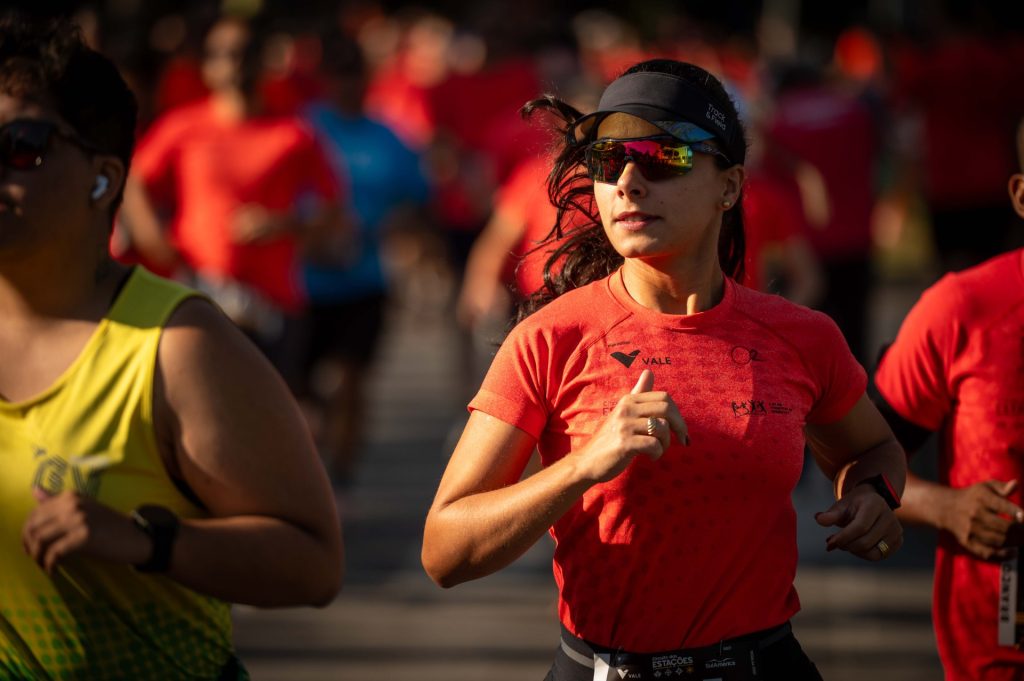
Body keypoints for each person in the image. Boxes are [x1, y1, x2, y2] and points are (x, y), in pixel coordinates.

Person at [422, 58, 907, 681]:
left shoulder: (801, 337)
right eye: (607, 161)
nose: (627, 182)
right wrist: (582, 466)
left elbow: (875, 449)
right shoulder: (550, 339)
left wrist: (874, 496)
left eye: (661, 157)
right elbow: (444, 551)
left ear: (728, 187)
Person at [0, 15, 342, 680]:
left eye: (20, 145)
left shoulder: (178, 348)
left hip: (258, 314)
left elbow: (315, 565)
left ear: (99, 178)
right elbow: (147, 191)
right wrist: (168, 249)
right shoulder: (185, 128)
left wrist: (147, 540)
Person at [873, 119, 1024, 680]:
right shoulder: (963, 309)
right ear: (1021, 196)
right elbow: (856, 461)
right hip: (996, 658)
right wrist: (948, 508)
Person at [119, 15, 344, 381]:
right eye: (221, 53)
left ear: (263, 60)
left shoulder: (294, 133)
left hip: (273, 304)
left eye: (244, 52)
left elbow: (335, 213)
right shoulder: (183, 126)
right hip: (198, 296)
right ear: (207, 65)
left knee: (272, 424)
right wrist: (152, 239)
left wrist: (284, 224)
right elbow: (133, 179)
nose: (234, 62)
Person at [300, 33, 430, 485]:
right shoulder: (304, 129)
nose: (347, 84)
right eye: (339, 75)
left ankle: (342, 473)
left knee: (351, 378)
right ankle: (308, 467)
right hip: (305, 282)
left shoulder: (387, 136)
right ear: (325, 80)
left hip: (364, 280)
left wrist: (393, 226)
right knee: (303, 391)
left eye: (355, 74)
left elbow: (418, 197)